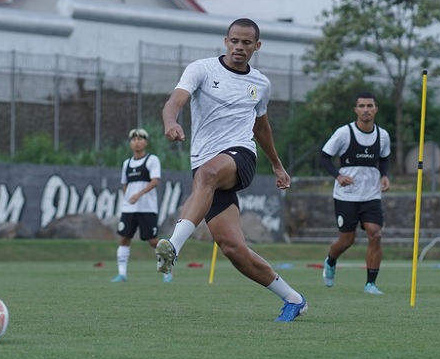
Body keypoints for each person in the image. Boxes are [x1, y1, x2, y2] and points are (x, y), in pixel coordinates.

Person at [156, 18, 307, 322]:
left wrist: (277, 165)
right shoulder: (202, 69)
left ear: (257, 47)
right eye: (235, 41)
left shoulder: (260, 83)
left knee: (208, 174)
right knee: (233, 248)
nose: (240, 47)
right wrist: (170, 122)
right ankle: (294, 298)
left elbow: (262, 127)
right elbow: (175, 101)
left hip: (240, 157)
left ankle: (173, 246)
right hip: (205, 166)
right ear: (226, 41)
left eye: (246, 43)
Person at [319, 91, 392, 294]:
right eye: (362, 106)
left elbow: (384, 158)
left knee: (375, 234)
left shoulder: (383, 135)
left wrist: (384, 175)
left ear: (376, 109)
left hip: (371, 194)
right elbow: (324, 157)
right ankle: (331, 261)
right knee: (347, 240)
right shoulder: (344, 133)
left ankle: (370, 283)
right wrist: (338, 176)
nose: (366, 110)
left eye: (370, 106)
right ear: (356, 110)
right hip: (347, 195)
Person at [112, 128, 172, 283]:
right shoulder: (127, 163)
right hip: (129, 208)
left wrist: (139, 194)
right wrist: (128, 197)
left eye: (140, 139)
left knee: (152, 240)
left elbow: (155, 181)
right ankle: (122, 274)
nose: (136, 142)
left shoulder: (152, 160)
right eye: (133, 139)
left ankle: (167, 269)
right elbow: (125, 184)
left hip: (147, 207)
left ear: (145, 142)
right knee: (124, 238)